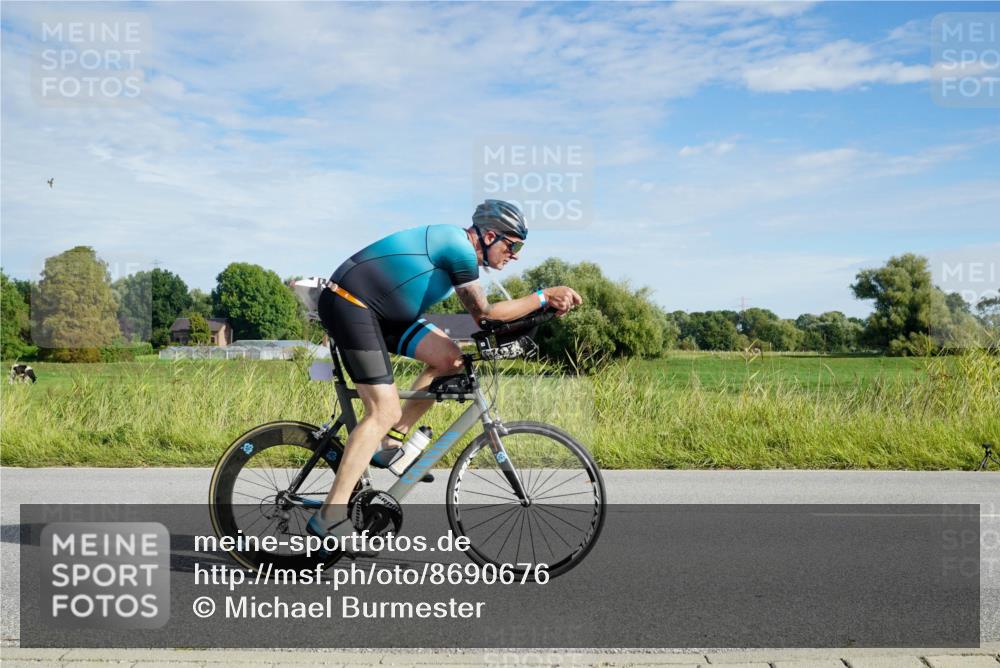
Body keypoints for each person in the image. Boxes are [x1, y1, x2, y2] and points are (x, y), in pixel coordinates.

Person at [308, 199, 582, 547]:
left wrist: (540, 312)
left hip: (384, 314)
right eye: (512, 246)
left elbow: (496, 320)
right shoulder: (457, 248)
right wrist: (543, 296)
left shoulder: (462, 253)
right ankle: (329, 515)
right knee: (383, 409)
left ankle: (390, 443)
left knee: (452, 360)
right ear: (489, 235)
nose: (514, 255)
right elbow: (485, 316)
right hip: (352, 305)